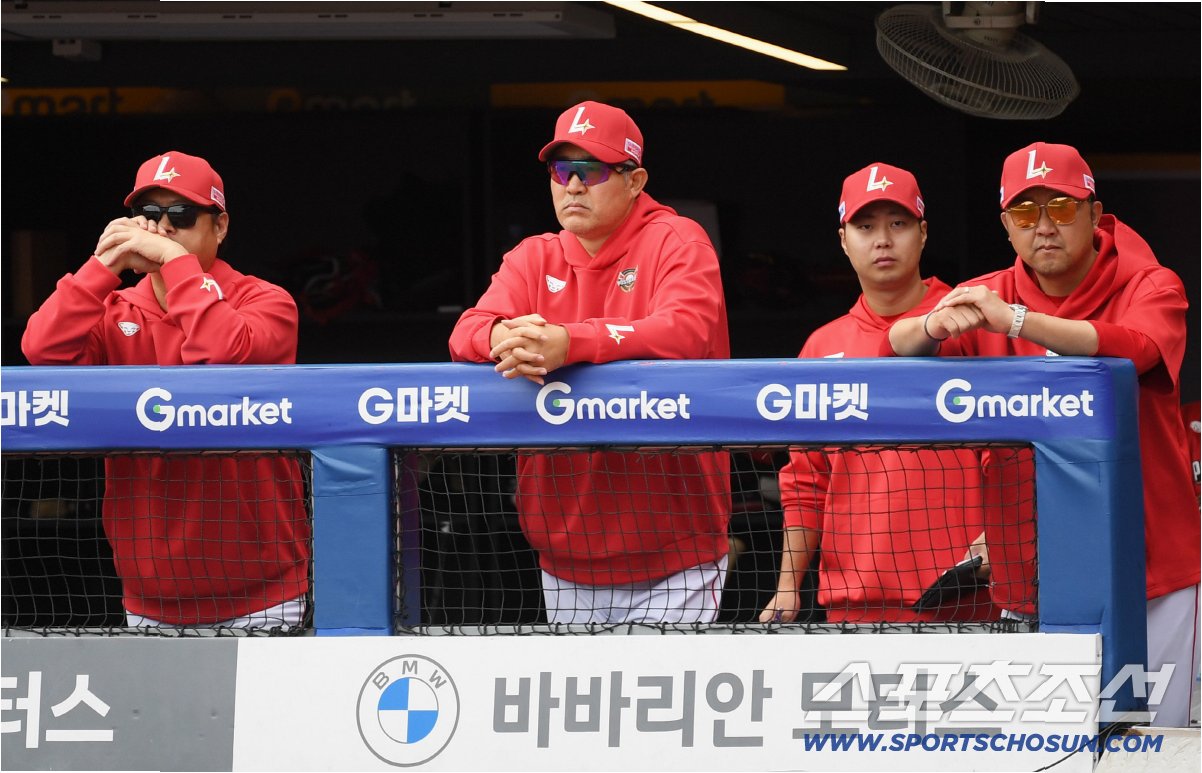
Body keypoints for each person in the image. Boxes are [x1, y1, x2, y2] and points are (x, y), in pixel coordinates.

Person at [887, 141, 1199, 726]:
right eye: (1026, 213)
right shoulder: (988, 294)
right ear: (1007, 225)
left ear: (1094, 213)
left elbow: (1133, 351)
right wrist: (931, 324)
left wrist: (1019, 323)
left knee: (1151, 749)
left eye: (1061, 207)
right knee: (1047, 748)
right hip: (1033, 577)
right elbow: (898, 346)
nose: (1045, 227)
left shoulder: (1150, 283)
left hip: (1151, 570)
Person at [448, 101, 732, 624]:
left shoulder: (678, 241)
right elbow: (465, 330)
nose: (573, 186)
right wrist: (504, 337)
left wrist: (570, 342)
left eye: (591, 170)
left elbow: (685, 332)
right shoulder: (534, 255)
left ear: (634, 180)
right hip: (564, 556)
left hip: (676, 553)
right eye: (562, 171)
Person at [22, 151, 311, 630]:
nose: (163, 226)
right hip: (150, 598)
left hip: (262, 595)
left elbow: (223, 355)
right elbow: (42, 350)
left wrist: (177, 263)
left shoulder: (264, 300)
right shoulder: (114, 309)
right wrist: (102, 265)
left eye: (182, 213)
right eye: (149, 213)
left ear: (220, 226)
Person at [759, 163, 997, 624]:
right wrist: (787, 587)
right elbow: (806, 481)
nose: (882, 240)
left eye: (898, 223)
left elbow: (1012, 458)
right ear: (843, 240)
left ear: (923, 233)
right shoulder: (821, 346)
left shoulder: (971, 321)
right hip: (854, 608)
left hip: (966, 598)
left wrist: (1000, 537)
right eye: (865, 227)